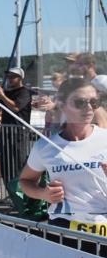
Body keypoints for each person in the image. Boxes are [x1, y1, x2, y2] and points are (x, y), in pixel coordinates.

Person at [20, 78, 107, 236]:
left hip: (103, 228)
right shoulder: (45, 146)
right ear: (62, 105)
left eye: (94, 102)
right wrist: (43, 194)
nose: (89, 108)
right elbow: (25, 181)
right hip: (62, 228)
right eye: (80, 103)